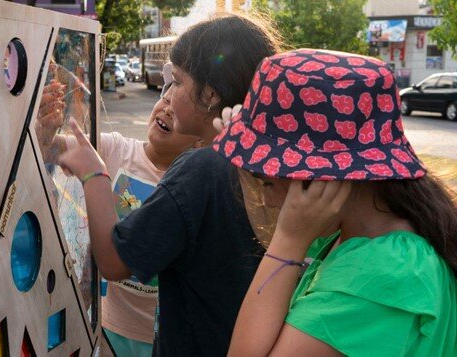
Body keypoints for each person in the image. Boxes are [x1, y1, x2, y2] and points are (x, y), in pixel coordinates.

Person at [56, 13, 282, 356]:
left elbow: (115, 262)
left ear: (208, 95)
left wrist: (94, 175)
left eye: (176, 81)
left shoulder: (202, 169)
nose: (167, 95)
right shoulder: (256, 166)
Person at [211, 49, 457, 356]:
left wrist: (289, 240)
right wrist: (246, 161)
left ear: (323, 177)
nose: (269, 201)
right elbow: (276, 238)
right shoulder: (367, 232)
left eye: (269, 182)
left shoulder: (380, 275)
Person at [36, 65, 201, 356]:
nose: (165, 111)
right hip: (108, 326)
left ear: (199, 137)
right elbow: (52, 151)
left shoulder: (196, 180)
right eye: (164, 101)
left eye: (176, 113)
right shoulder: (115, 148)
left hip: (165, 335)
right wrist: (44, 130)